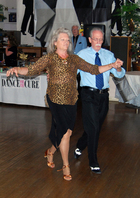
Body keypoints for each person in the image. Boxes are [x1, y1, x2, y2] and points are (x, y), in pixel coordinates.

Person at [6, 27, 123, 181]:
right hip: (54, 99)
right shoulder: (49, 58)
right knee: (64, 132)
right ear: (55, 43)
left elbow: (94, 69)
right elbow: (31, 70)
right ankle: (66, 166)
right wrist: (16, 69)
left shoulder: (74, 59)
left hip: (71, 99)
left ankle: (50, 151)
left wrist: (112, 65)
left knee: (66, 133)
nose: (66, 41)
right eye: (63, 39)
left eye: (68, 39)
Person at [74, 27, 125, 174]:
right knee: (94, 128)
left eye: (100, 39)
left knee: (94, 127)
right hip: (88, 95)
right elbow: (72, 72)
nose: (98, 42)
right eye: (95, 39)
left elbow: (119, 75)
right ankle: (93, 161)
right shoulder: (82, 55)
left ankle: (80, 145)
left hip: (103, 96)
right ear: (89, 40)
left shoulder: (108, 55)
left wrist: (119, 68)